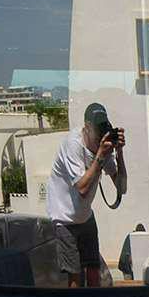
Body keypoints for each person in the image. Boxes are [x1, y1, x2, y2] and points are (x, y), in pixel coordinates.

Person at [48, 102, 126, 286]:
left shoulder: (103, 146)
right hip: (65, 218)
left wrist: (119, 153)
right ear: (86, 128)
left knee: (93, 270)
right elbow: (82, 189)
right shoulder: (72, 145)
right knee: (75, 275)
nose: (100, 137)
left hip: (85, 216)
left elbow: (122, 188)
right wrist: (100, 155)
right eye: (97, 132)